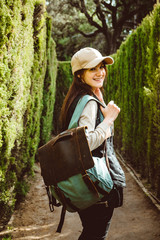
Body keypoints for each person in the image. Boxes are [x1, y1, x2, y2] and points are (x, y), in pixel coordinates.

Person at [59, 47, 126, 240]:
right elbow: (85, 143)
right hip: (95, 182)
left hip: (83, 181)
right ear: (80, 75)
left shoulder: (76, 99)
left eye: (102, 66)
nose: (100, 72)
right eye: (92, 69)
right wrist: (109, 120)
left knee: (91, 231)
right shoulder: (88, 102)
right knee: (95, 234)